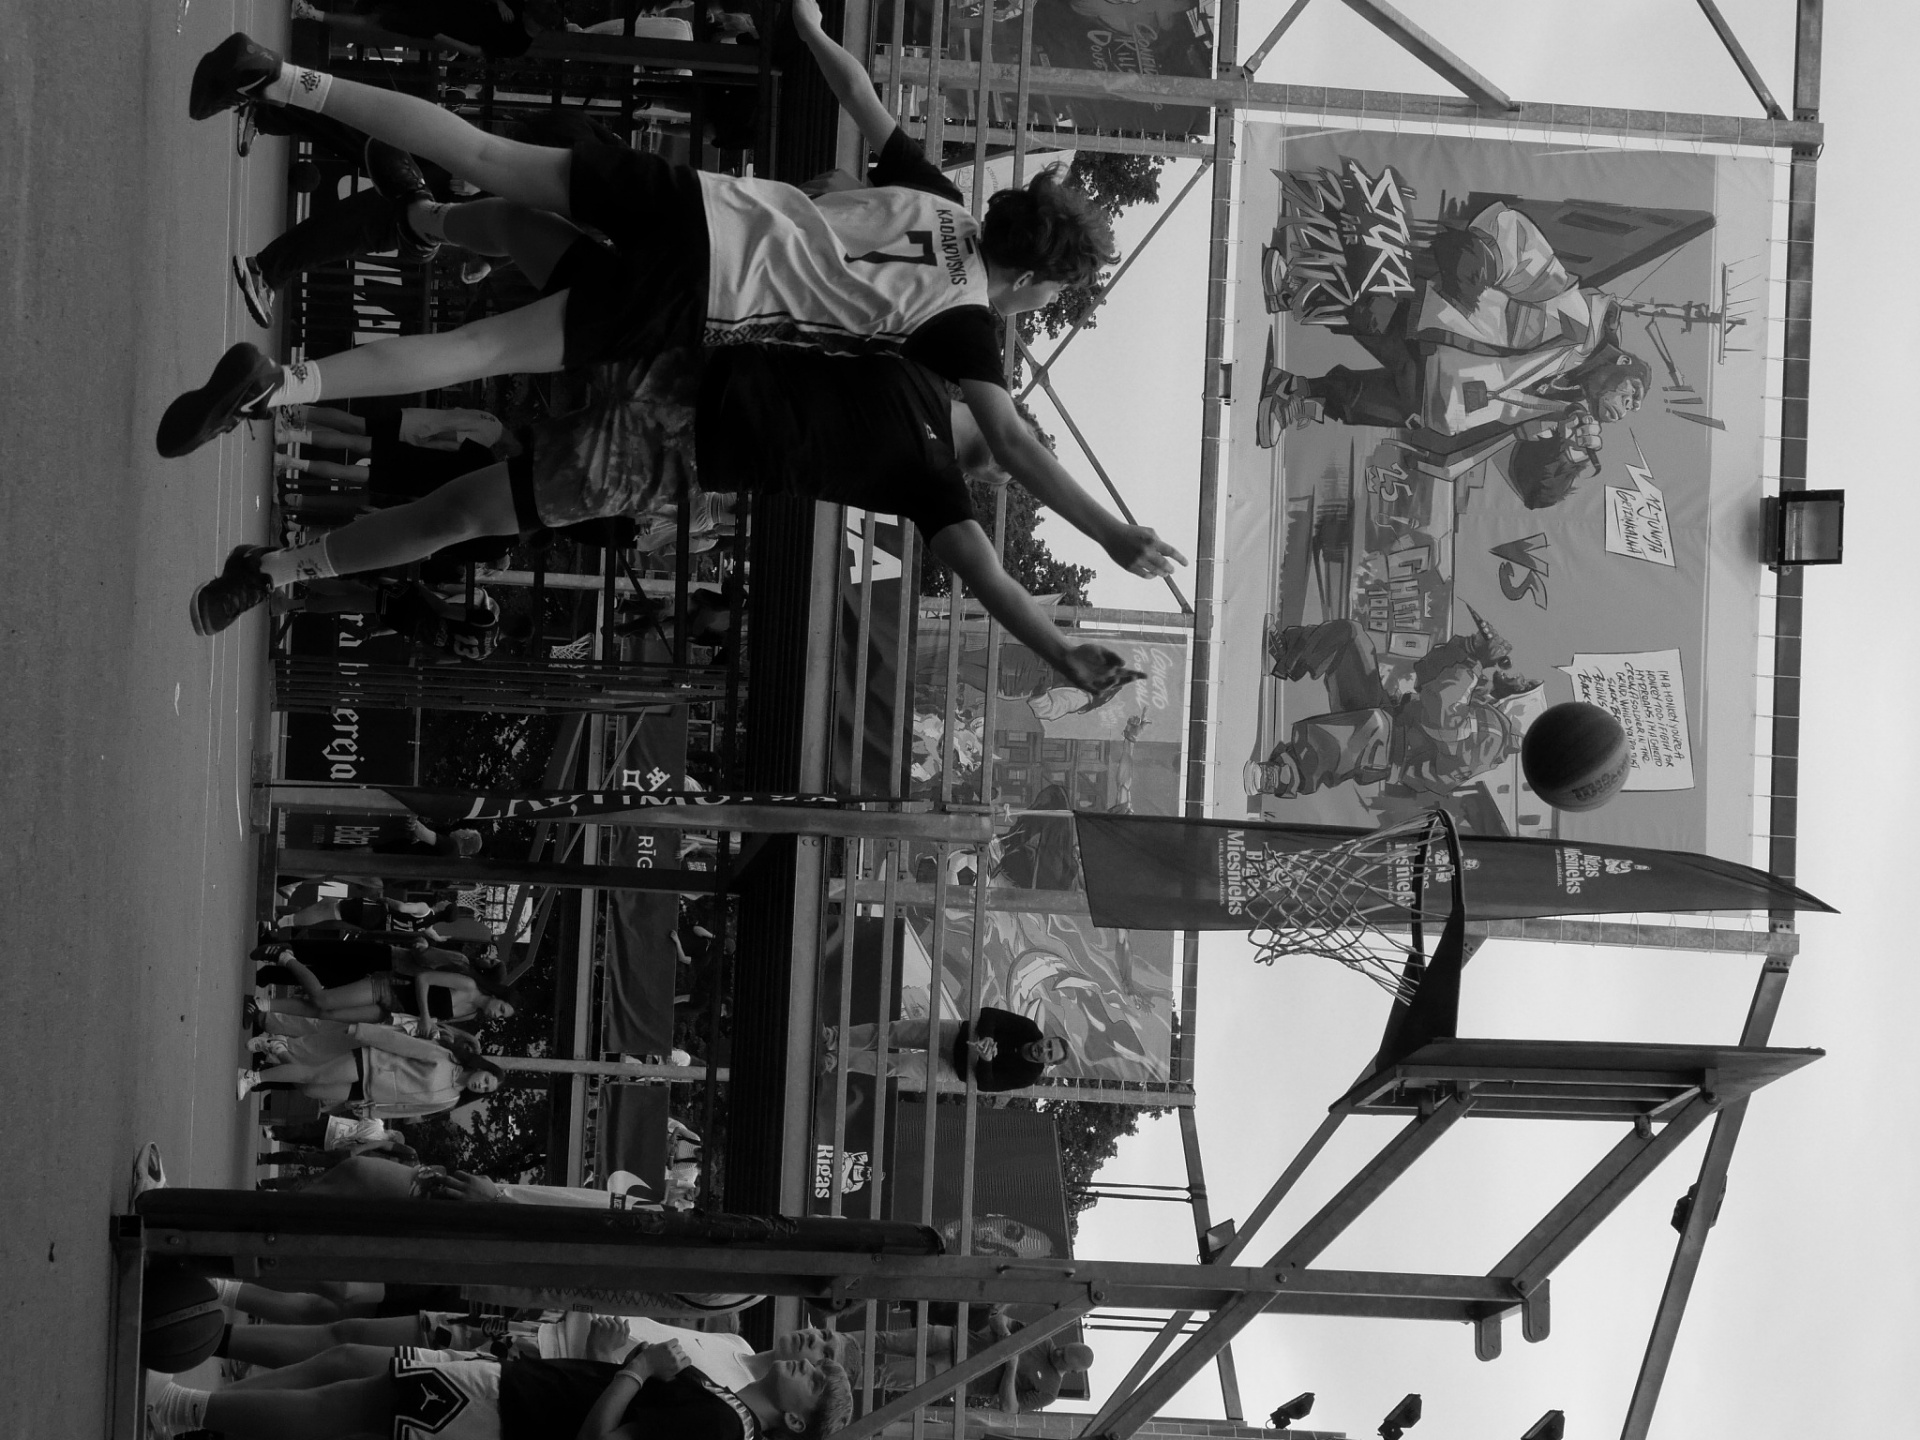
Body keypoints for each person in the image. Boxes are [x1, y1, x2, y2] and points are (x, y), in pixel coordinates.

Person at [162, 17, 1183, 585]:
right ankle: (280, 386)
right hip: (695, 293)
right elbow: (1012, 444)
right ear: (1034, 281)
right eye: (1047, 295)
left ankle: (277, 77)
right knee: (483, 349)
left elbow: (860, 95)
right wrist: (1109, 531)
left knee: (482, 154)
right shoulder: (962, 323)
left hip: (696, 199)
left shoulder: (938, 195)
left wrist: (808, 24)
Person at [1258, 200, 1652, 508]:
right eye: (1632, 393)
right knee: (1369, 314)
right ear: (1620, 363)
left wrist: (1570, 456)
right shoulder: (1579, 322)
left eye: (1633, 407)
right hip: (1441, 334)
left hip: (1437, 406)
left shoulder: (1569, 416)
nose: (1629, 407)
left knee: (1355, 401)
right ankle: (1293, 285)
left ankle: (1290, 393)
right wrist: (1485, 258)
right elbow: (1532, 260)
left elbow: (1534, 490)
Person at [145, 1330, 850, 1440]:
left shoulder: (723, 1427)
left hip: (508, 1411)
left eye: (816, 1381)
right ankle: (196, 1410)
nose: (809, 1365)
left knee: (346, 1406)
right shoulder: (728, 1403)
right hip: (516, 1387)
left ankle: (181, 1410)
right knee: (352, 1373)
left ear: (796, 1421)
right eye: (820, 1362)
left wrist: (634, 1370)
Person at [236, 1020, 503, 1115]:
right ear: (482, 1068)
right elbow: (403, 1045)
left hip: (368, 1094)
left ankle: (277, 1047)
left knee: (309, 1089)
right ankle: (252, 1076)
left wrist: (372, 1111)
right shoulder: (447, 1058)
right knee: (314, 1074)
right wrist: (363, 1032)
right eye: (486, 1080)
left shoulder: (450, 1100)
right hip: (372, 1064)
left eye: (485, 1090)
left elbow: (406, 1108)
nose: (481, 1086)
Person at [828, 1007, 1067, 1092]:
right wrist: (986, 1037)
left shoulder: (1028, 1076)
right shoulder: (1029, 1027)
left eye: (1049, 1054)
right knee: (892, 1032)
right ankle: (834, 1038)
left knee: (895, 1066)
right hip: (953, 1033)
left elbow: (987, 1085)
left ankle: (836, 1061)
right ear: (1047, 1037)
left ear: (1048, 1064)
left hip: (952, 1068)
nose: (1043, 1049)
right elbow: (989, 1014)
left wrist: (985, 1059)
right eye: (1048, 1044)